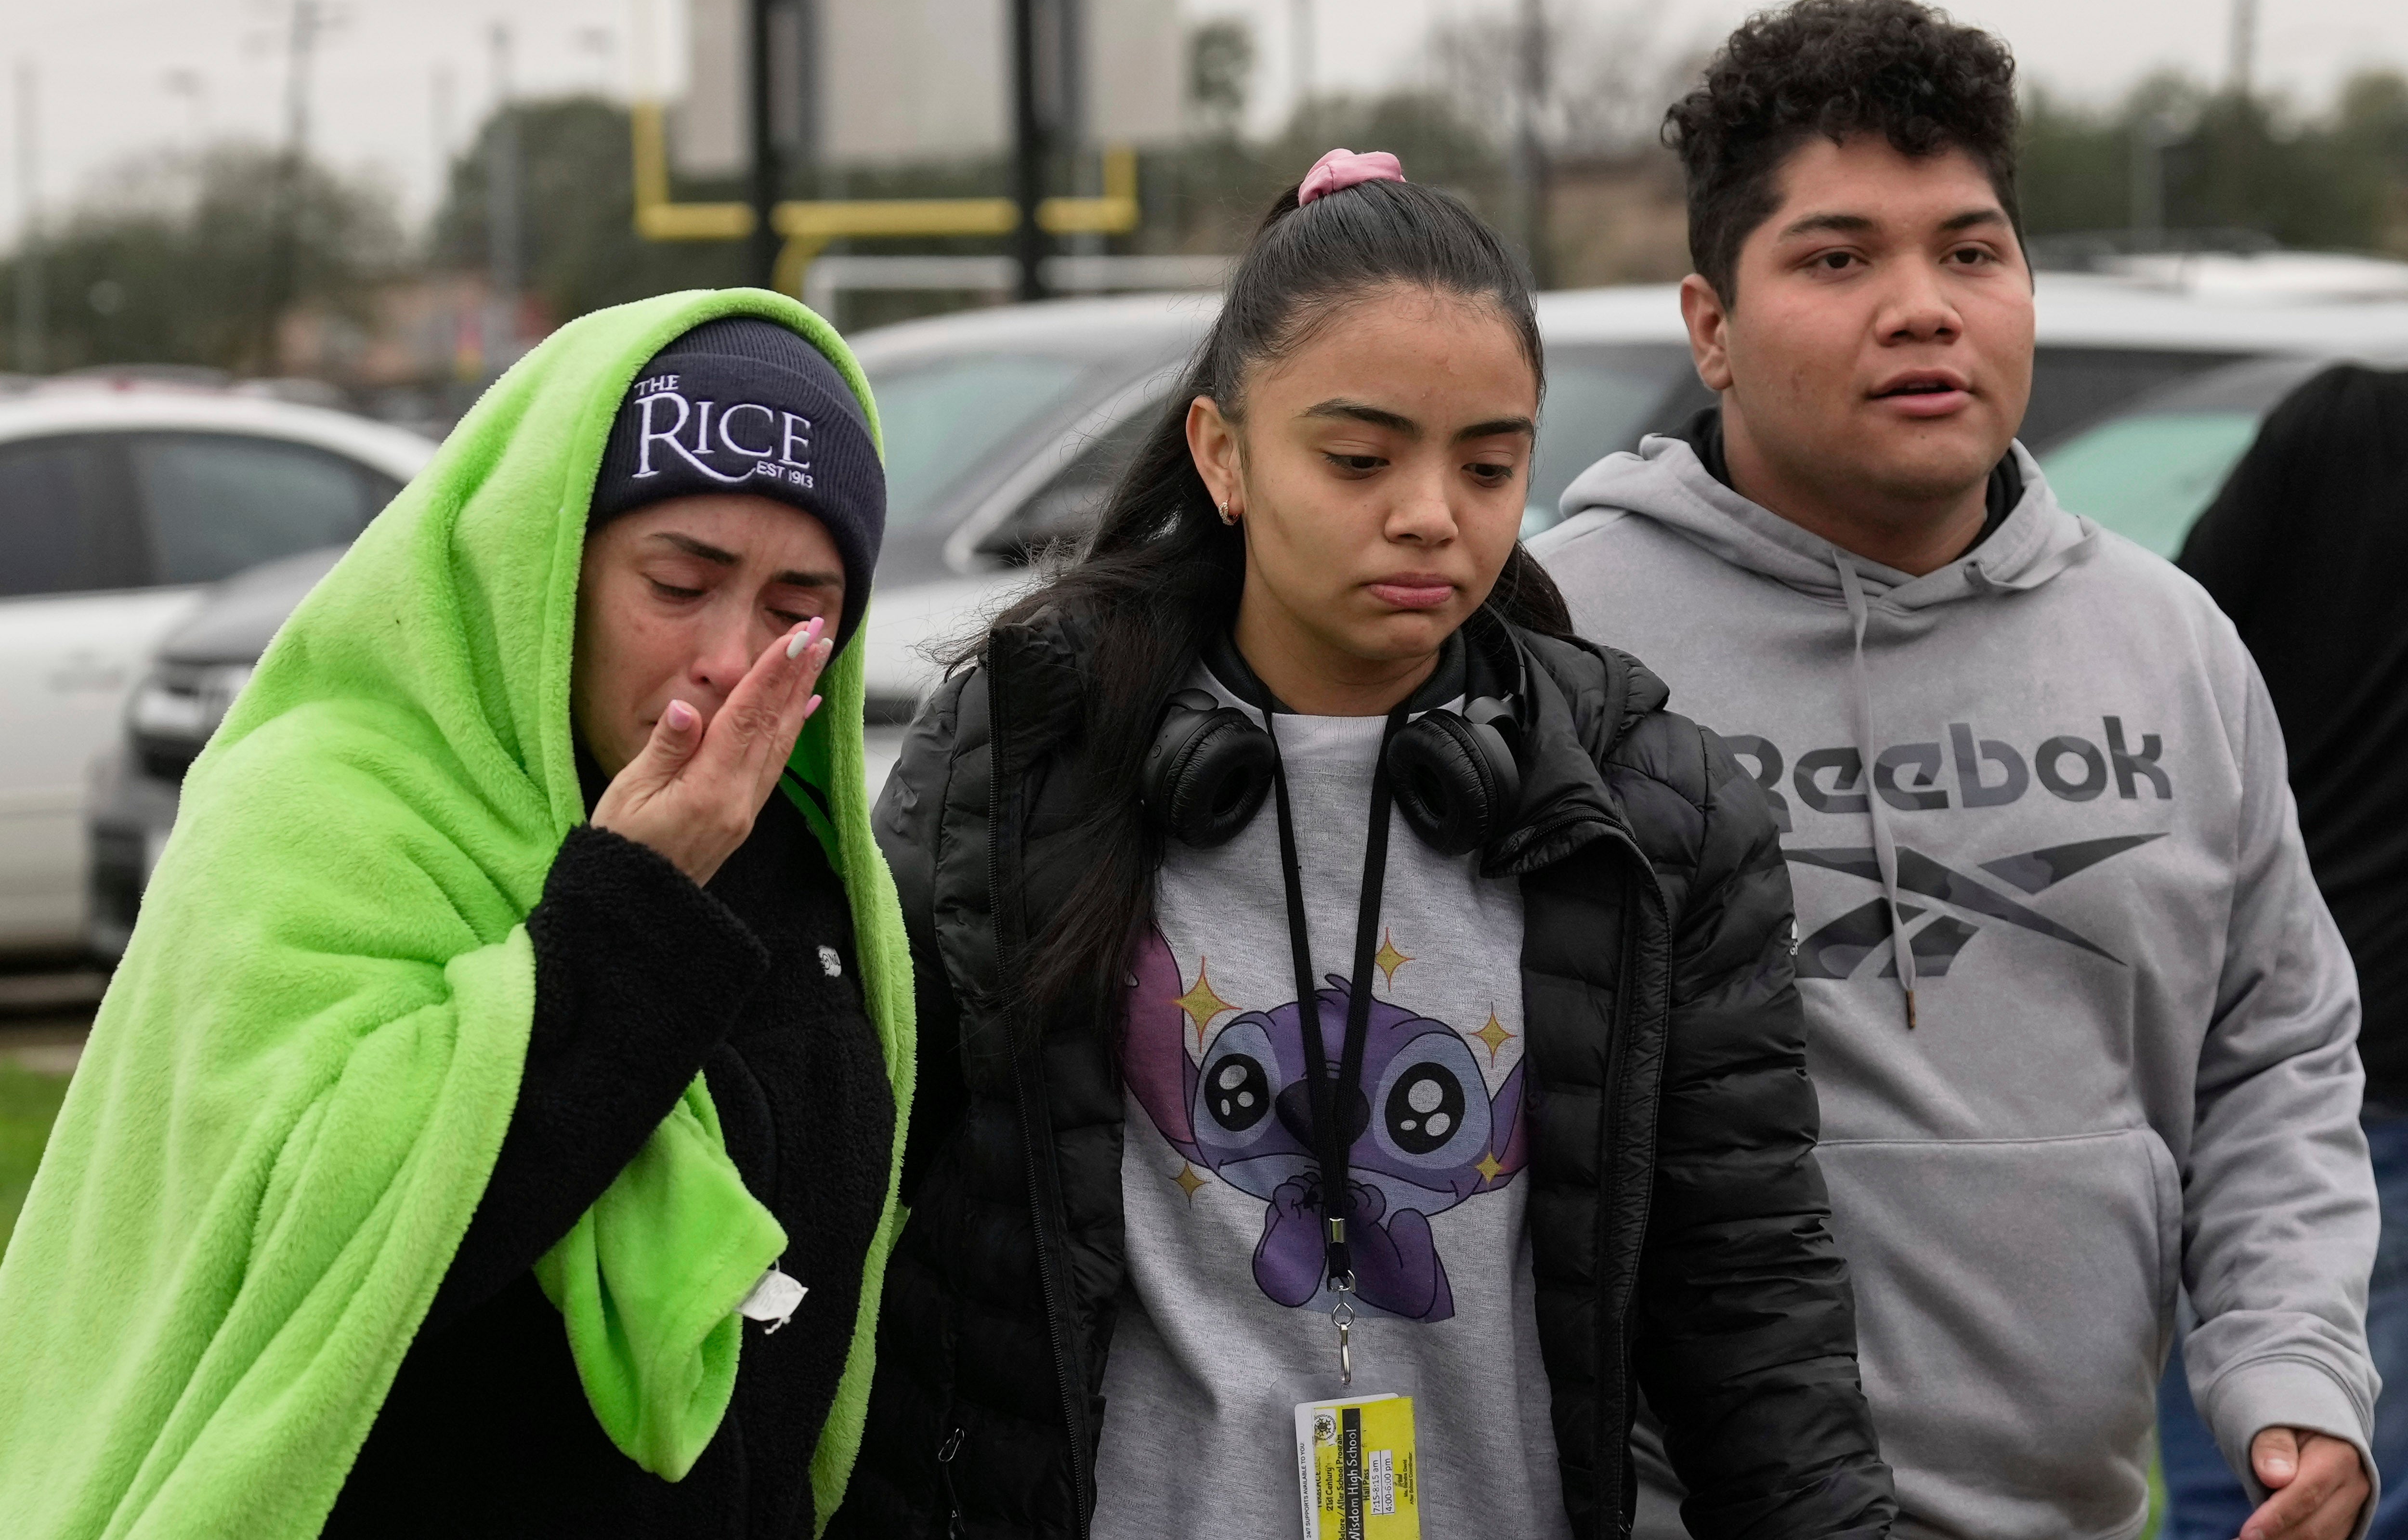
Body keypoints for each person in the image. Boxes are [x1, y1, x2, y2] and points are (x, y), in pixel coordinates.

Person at [831, 149, 1895, 1540]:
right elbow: (859, 1204)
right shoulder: (1023, 763)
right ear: (1223, 454)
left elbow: (1752, 1303)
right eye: (1359, 457)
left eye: (1492, 463)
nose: (1431, 515)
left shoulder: (1650, 810)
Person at [1532, 0, 2381, 1540]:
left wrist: (2296, 1369)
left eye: (1971, 251)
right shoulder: (1561, 646)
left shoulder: (2172, 643)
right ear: (1709, 325)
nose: (1923, 306)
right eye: (1839, 257)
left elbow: (2277, 1051)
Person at [0, 294, 916, 1540]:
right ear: (544, 565)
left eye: (794, 606)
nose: (728, 654)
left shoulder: (815, 872)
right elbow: (351, 1257)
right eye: (680, 581)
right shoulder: (320, 812)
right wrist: (635, 905)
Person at [2156, 363, 2408, 1539]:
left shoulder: (2337, 423)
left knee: (2264, 1461)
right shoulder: (2342, 421)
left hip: (2270, 1038)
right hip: (2306, 1056)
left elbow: (2174, 661)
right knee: (2324, 1467)